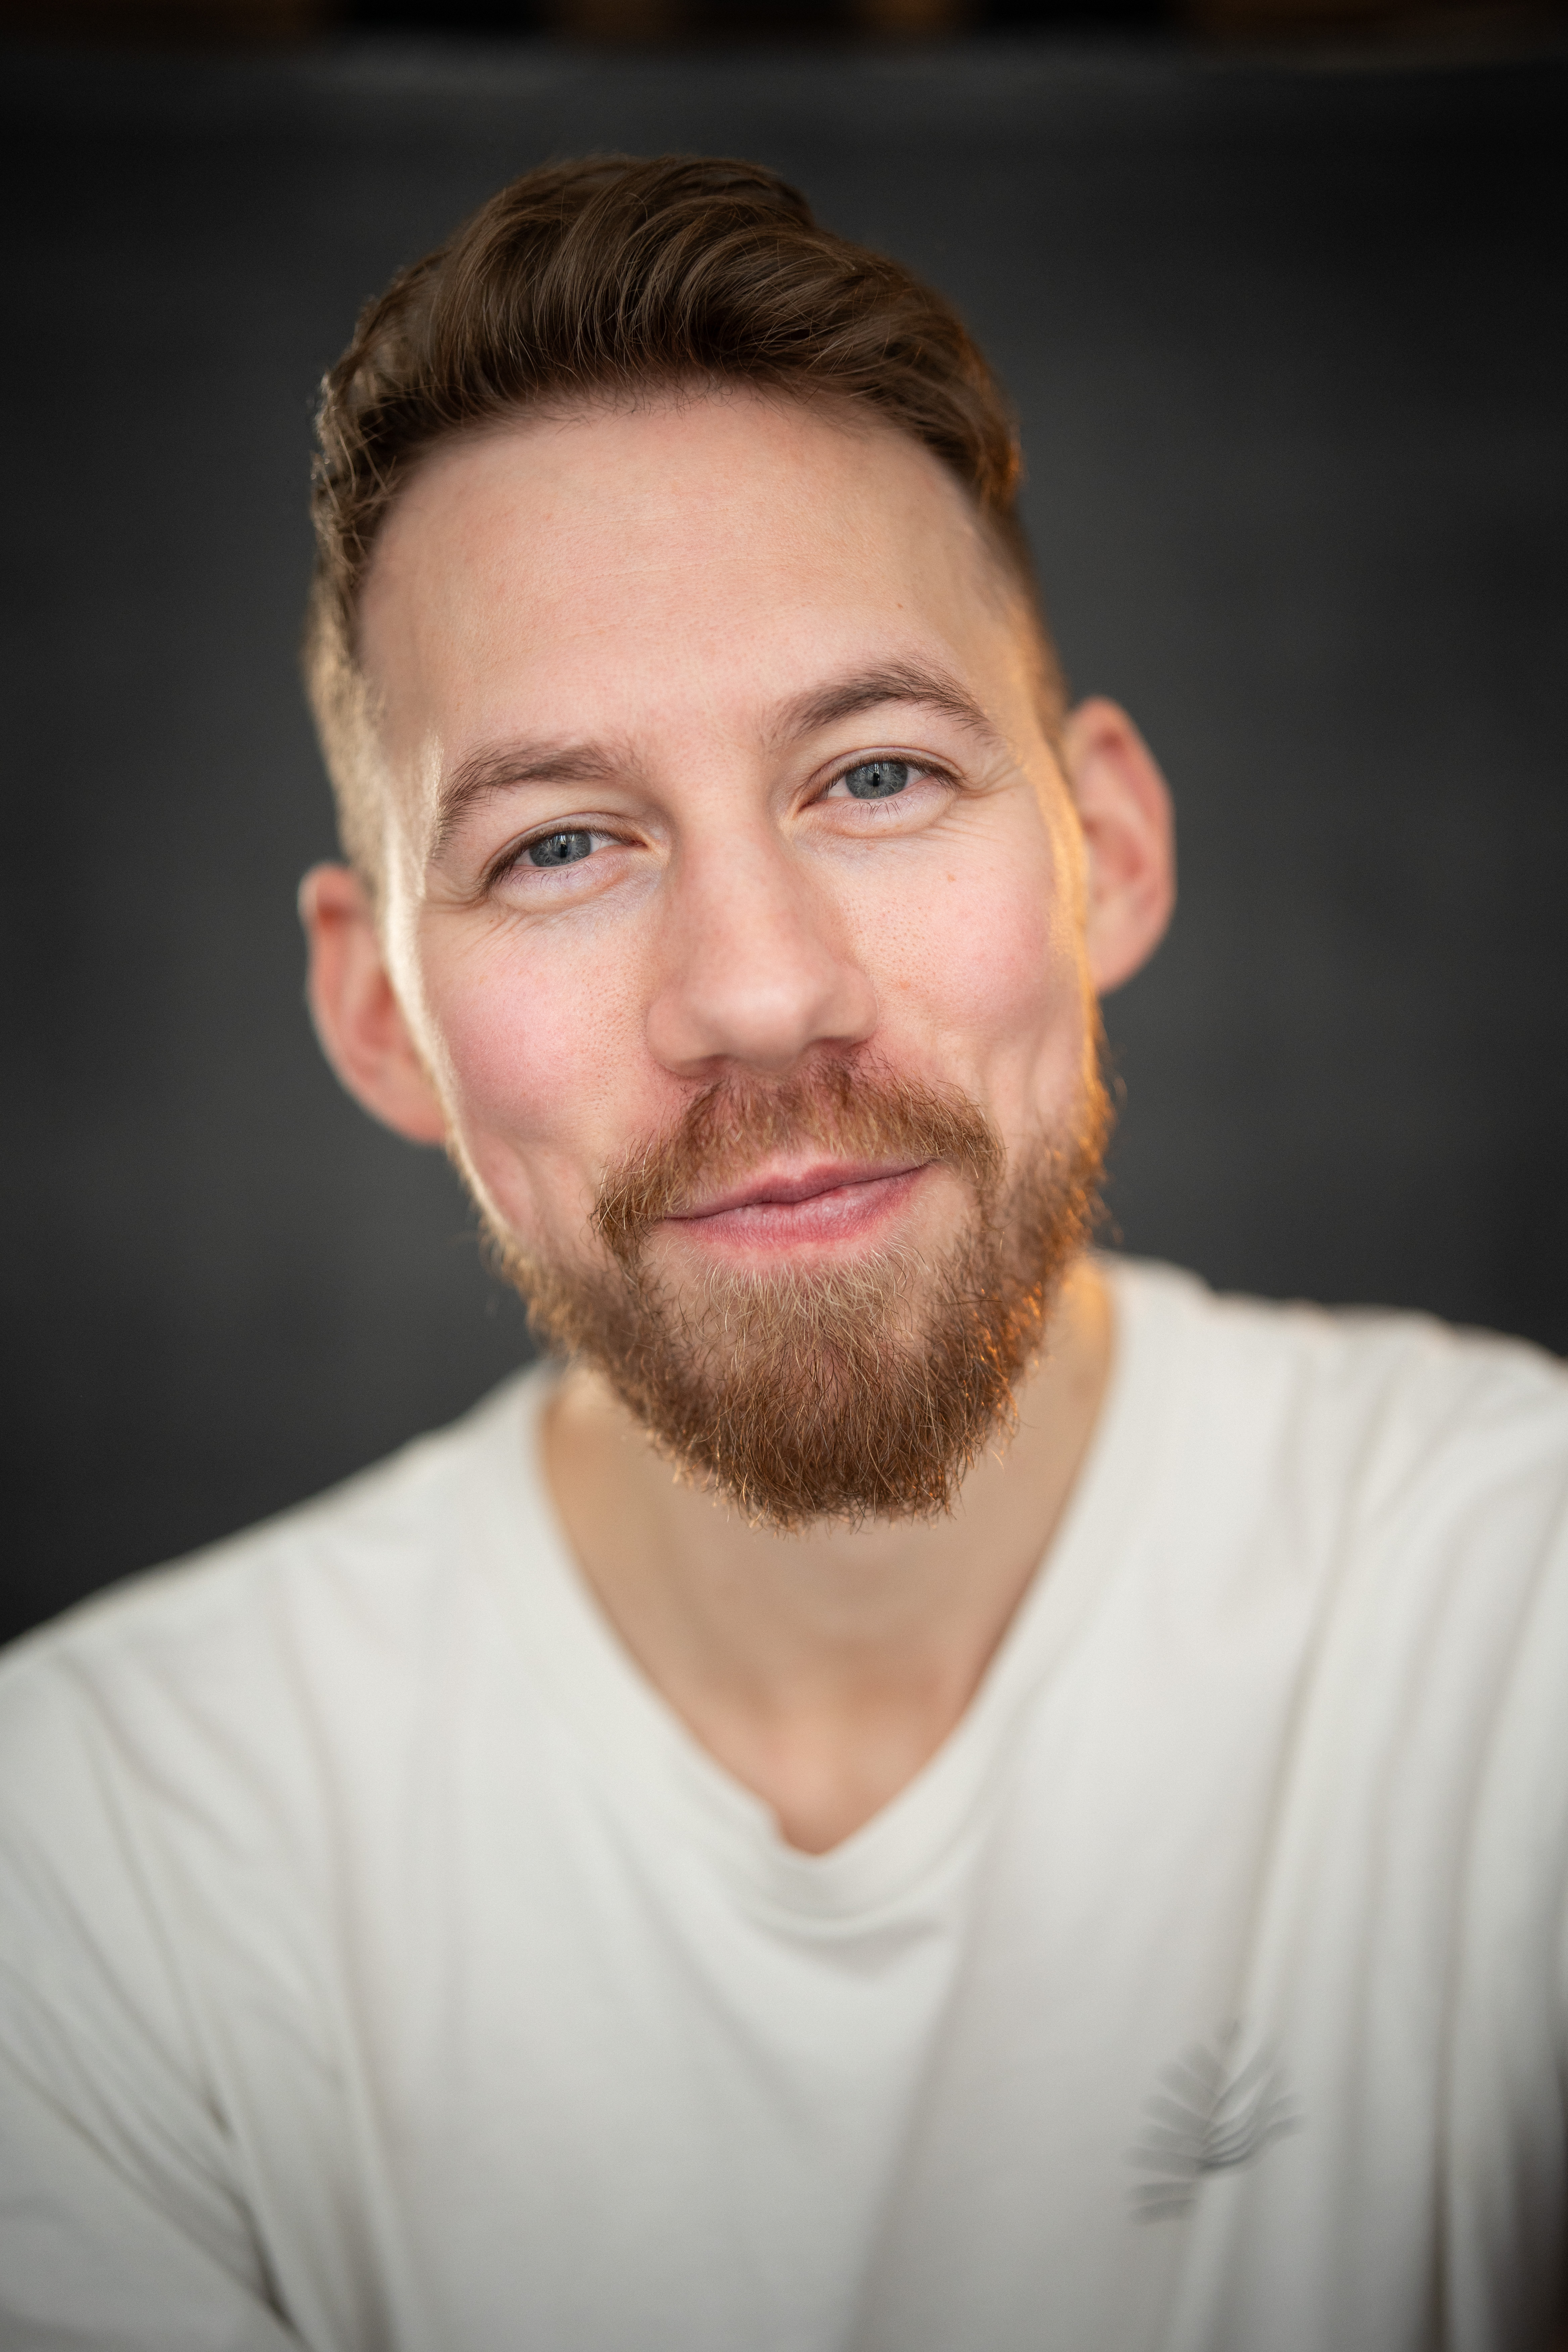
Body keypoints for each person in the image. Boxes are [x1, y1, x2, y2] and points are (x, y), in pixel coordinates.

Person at [1, 153, 1564, 2352]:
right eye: (560, 843)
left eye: (879, 778)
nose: (757, 992)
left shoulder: (1522, 1620)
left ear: (1104, 855)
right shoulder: (86, 1869)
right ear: (384, 1020)